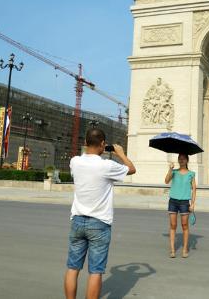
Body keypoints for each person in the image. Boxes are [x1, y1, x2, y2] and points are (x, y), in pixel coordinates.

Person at [64, 128, 136, 299]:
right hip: (99, 223)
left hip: (78, 220)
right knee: (95, 271)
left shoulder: (75, 161)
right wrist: (120, 153)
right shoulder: (107, 166)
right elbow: (132, 169)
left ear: (85, 143)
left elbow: (84, 158)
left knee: (73, 268)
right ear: (103, 144)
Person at [165, 153, 197, 258]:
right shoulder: (174, 172)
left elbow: (194, 190)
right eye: (180, 158)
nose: (181, 160)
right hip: (173, 201)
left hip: (184, 202)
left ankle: (184, 249)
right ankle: (172, 250)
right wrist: (170, 169)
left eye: (183, 159)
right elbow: (166, 181)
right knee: (173, 225)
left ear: (187, 160)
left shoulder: (191, 174)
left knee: (184, 226)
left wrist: (192, 204)